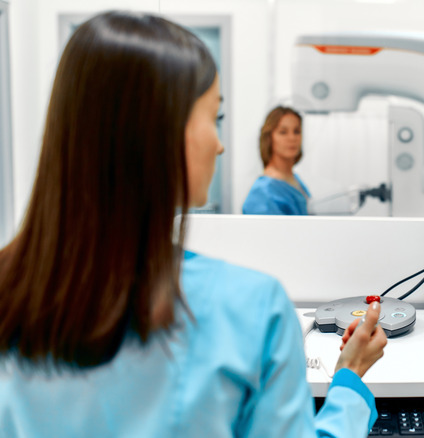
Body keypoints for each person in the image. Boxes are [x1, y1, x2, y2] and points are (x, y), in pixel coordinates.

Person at [0, 11, 386, 438]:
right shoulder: (250, 310)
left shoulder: (10, 291)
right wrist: (349, 379)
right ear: (161, 131)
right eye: (214, 118)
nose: (220, 144)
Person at [242, 106, 311, 215]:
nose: (292, 138)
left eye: (297, 131)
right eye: (283, 132)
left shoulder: (294, 179)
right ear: (269, 138)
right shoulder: (263, 192)